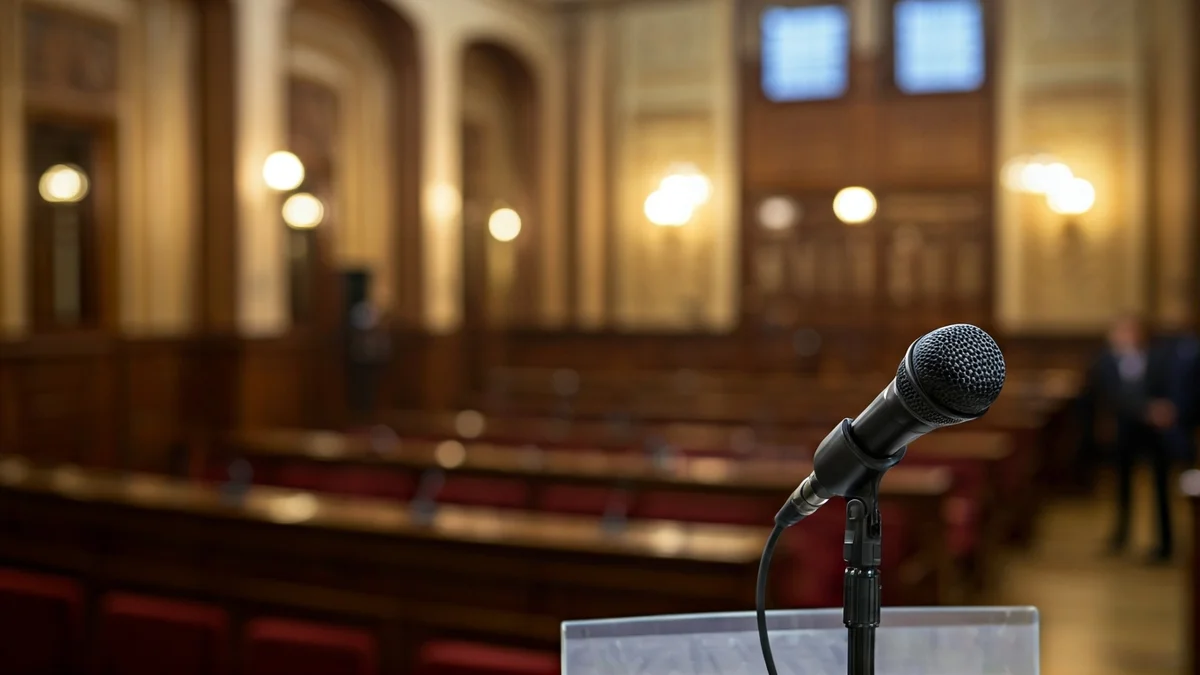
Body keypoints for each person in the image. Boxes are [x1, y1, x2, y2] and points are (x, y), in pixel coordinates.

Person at [1079, 315, 1175, 562]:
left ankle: (1164, 543)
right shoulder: (1104, 362)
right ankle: (1120, 536)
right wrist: (1146, 410)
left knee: (1161, 487)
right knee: (1121, 485)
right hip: (1122, 430)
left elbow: (1170, 389)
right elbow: (1109, 396)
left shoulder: (1158, 359)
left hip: (1155, 433)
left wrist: (1164, 410)